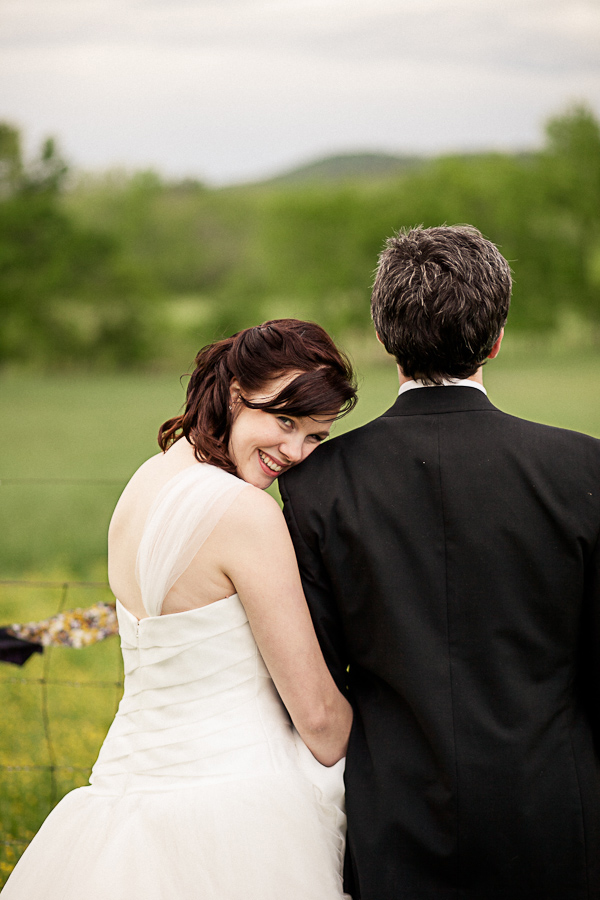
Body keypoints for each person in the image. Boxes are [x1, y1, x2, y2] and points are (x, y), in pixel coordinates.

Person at [280, 226, 600, 900]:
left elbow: (314, 671)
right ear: (496, 338)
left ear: (384, 337)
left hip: (390, 821)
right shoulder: (583, 470)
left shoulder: (317, 483)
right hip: (556, 818)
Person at [2, 319, 357, 900]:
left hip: (121, 795)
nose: (295, 452)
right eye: (284, 421)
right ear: (237, 394)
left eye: (315, 436)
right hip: (240, 810)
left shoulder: (147, 480)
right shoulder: (246, 513)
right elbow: (317, 719)